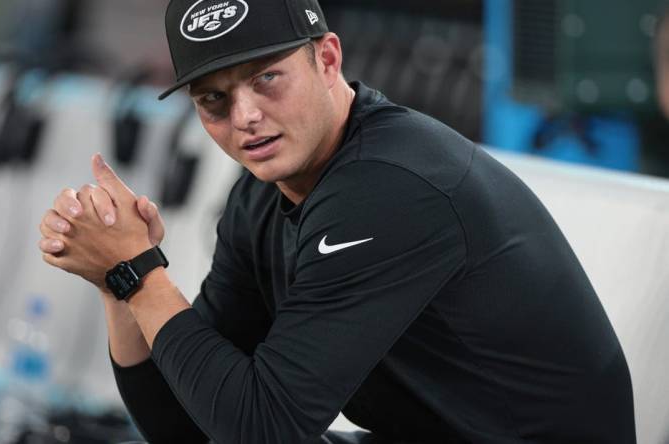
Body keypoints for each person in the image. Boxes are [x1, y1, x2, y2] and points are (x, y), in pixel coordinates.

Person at [38, 0, 636, 442]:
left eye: (265, 78)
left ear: (327, 59)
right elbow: (188, 426)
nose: (245, 116)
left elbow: (261, 430)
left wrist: (141, 270)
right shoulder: (258, 197)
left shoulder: (393, 187)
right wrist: (118, 284)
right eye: (213, 100)